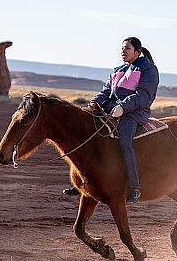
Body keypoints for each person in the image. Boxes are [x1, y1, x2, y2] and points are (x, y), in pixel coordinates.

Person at [63, 36, 159, 204]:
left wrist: (123, 107)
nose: (123, 51)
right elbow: (106, 91)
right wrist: (95, 101)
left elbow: (144, 95)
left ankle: (134, 187)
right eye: (122, 48)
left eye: (127, 48)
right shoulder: (118, 69)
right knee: (87, 135)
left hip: (134, 113)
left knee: (124, 143)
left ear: (137, 51)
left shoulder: (148, 69)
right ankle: (83, 183)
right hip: (111, 110)